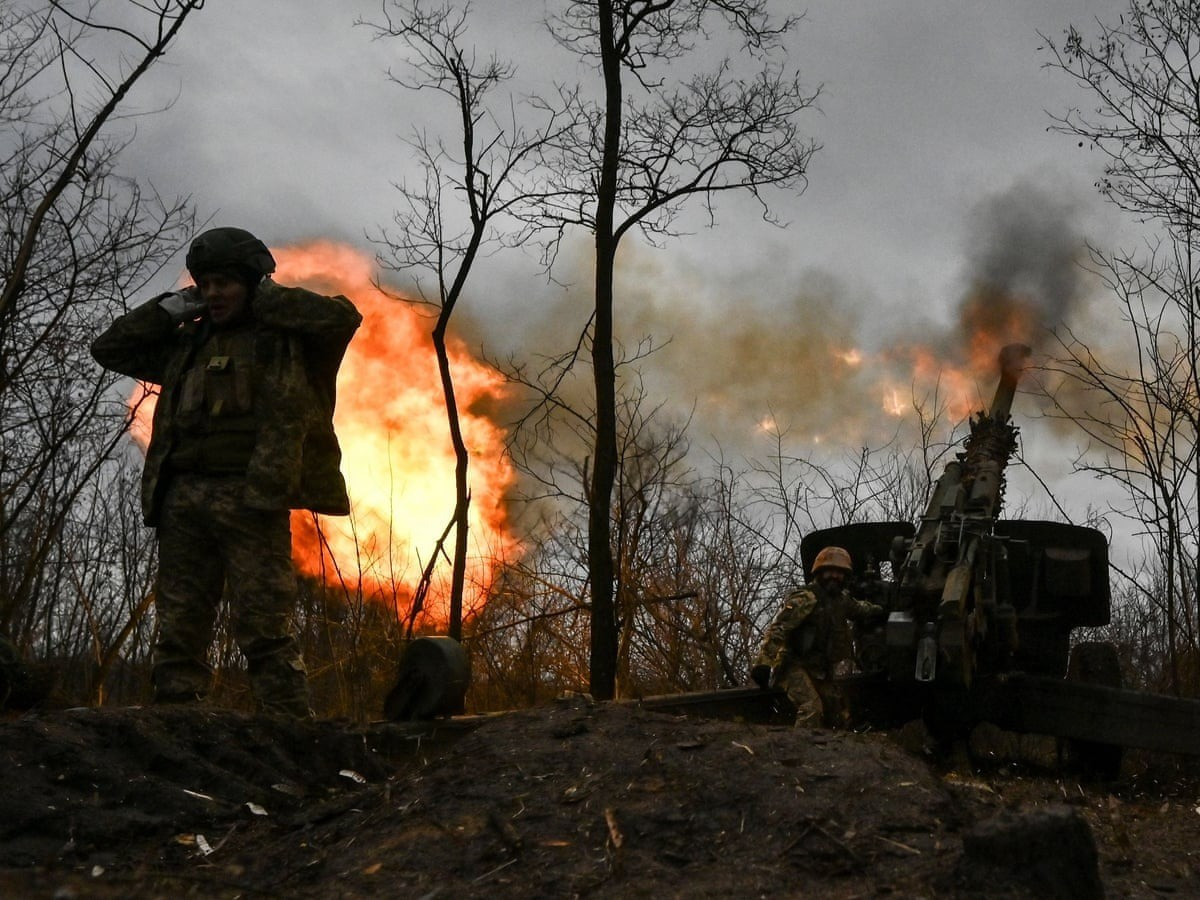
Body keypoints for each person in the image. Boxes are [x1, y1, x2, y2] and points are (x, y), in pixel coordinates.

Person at [92, 227, 362, 717]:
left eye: (225, 283)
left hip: (252, 501)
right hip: (183, 501)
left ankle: (290, 734)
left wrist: (267, 297)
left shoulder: (287, 342)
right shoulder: (186, 344)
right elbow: (109, 349)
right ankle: (180, 726)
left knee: (264, 627)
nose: (214, 294)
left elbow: (341, 317)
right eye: (206, 283)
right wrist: (171, 308)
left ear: (252, 282)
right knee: (179, 628)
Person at [750, 546, 884, 728]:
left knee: (839, 716)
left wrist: (882, 609)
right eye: (830, 571)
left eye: (839, 573)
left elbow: (861, 609)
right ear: (820, 572)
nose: (834, 577)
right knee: (811, 708)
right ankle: (801, 751)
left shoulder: (841, 600)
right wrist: (763, 663)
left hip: (819, 670)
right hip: (793, 666)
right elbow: (778, 630)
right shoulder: (806, 599)